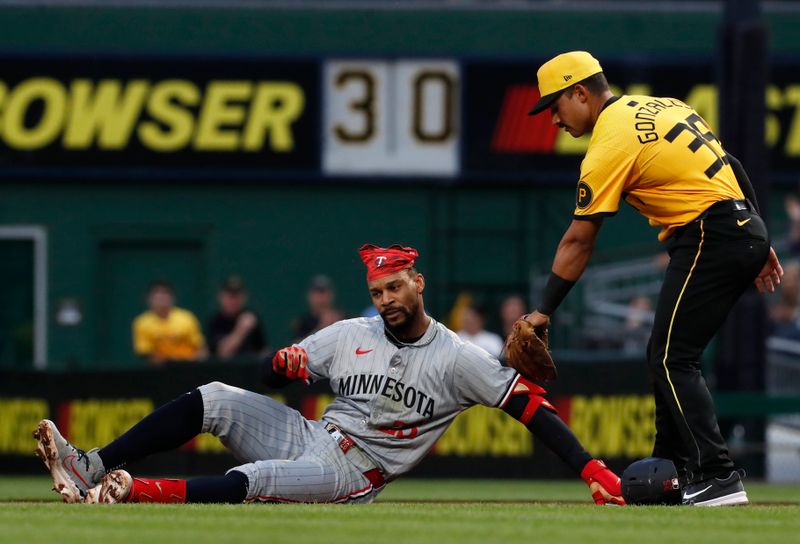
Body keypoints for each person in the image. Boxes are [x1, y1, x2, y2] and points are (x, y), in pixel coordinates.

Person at [34, 244, 624, 506]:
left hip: (355, 472)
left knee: (258, 477)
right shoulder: (350, 333)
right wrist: (279, 366)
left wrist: (594, 470)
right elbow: (271, 375)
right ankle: (91, 465)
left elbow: (532, 408)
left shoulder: (459, 356)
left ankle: (135, 492)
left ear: (418, 283)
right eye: (377, 290)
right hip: (313, 436)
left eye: (395, 286)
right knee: (215, 396)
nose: (386, 298)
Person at [524, 51, 783, 507]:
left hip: (711, 232)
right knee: (665, 355)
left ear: (580, 93)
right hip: (738, 226)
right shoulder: (666, 105)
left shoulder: (609, 142)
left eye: (555, 107)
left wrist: (544, 310)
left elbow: (579, 240)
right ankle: (674, 474)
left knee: (670, 358)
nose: (554, 120)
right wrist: (758, 236)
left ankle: (718, 475)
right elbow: (733, 165)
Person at [132, 280, 207, 366]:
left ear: (172, 298)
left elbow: (201, 348)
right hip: (160, 370)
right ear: (149, 299)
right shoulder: (142, 323)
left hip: (188, 367)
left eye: (165, 295)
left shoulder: (186, 318)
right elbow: (146, 353)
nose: (161, 300)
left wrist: (194, 362)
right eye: (157, 297)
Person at [206, 276, 268, 361]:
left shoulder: (252, 317)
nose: (233, 300)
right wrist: (241, 329)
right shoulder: (215, 321)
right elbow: (223, 353)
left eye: (237, 296)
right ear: (221, 297)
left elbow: (262, 350)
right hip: (223, 371)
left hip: (250, 368)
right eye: (230, 296)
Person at [292, 274, 344, 340]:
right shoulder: (303, 322)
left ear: (331, 295)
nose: (320, 297)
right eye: (317, 292)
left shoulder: (344, 319)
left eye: (323, 292)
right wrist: (322, 328)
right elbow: (297, 347)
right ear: (309, 296)